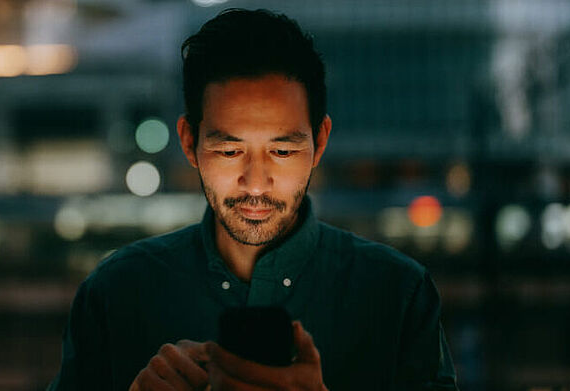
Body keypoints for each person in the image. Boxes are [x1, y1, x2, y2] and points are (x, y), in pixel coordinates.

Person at [48, 8, 457, 390]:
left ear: (320, 142)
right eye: (230, 151)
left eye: (282, 151)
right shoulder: (116, 292)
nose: (256, 183)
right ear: (189, 142)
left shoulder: (396, 295)